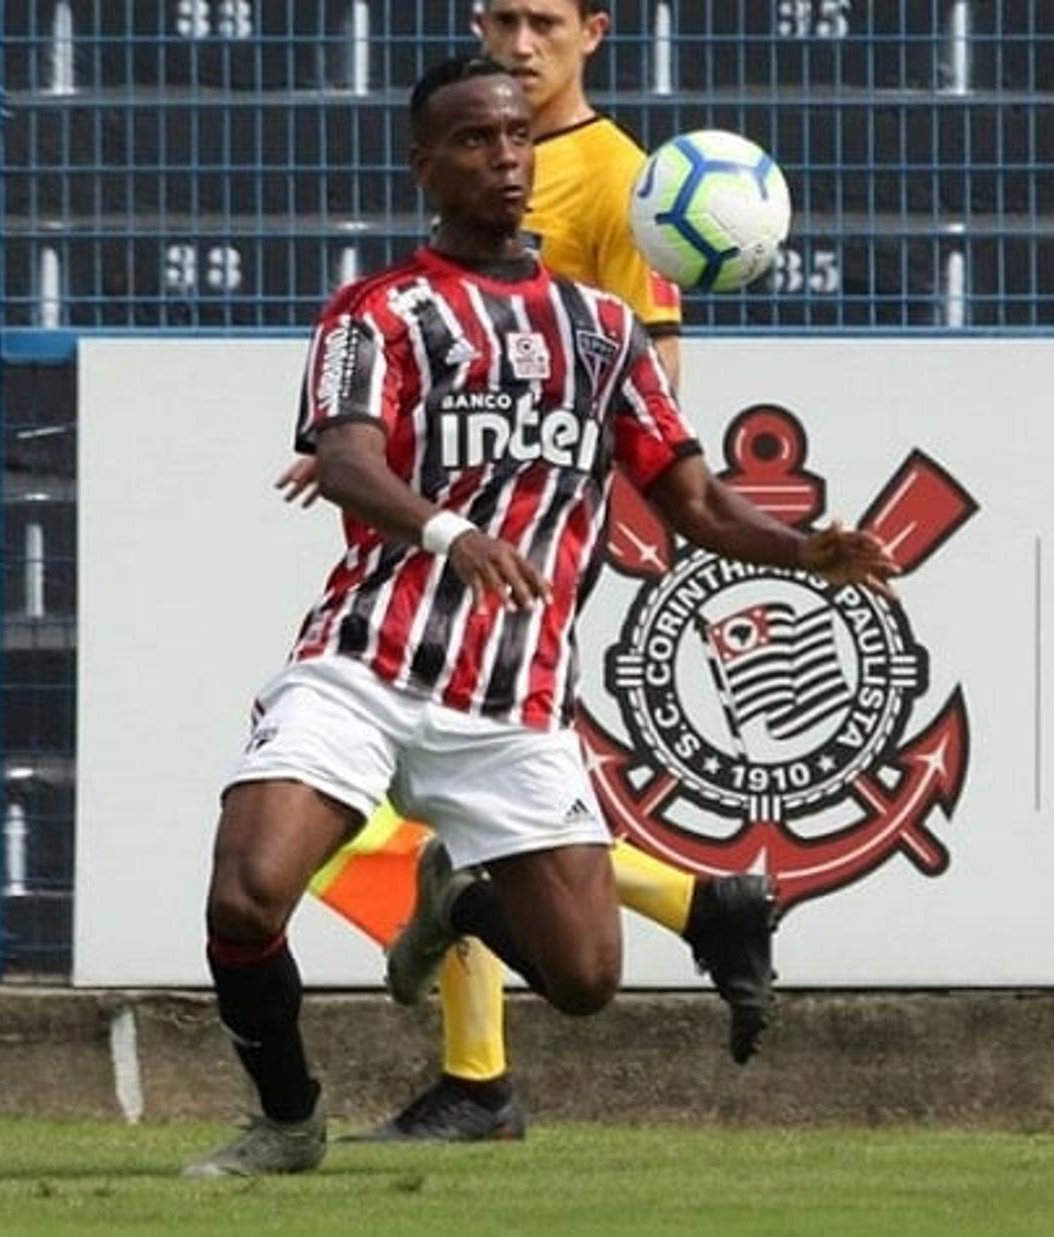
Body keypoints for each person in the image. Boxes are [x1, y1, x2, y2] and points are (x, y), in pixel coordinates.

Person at [188, 54, 896, 1178]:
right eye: (474, 141)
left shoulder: (604, 331)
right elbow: (348, 460)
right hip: (367, 664)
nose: (505, 159)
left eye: (517, 137)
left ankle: (461, 897)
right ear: (425, 165)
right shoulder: (385, 311)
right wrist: (448, 533)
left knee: (585, 981)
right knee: (247, 889)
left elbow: (693, 498)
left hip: (515, 705)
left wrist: (805, 550)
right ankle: (287, 1117)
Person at [279, 0, 779, 1145]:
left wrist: (618, 488)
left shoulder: (620, 181)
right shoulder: (503, 158)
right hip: (458, 515)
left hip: (534, 530)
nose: (517, 40)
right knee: (437, 796)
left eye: (542, 20)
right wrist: (366, 447)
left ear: (595, 32)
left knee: (443, 780)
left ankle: (673, 921)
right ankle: (483, 1068)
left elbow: (637, 363)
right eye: (499, 16)